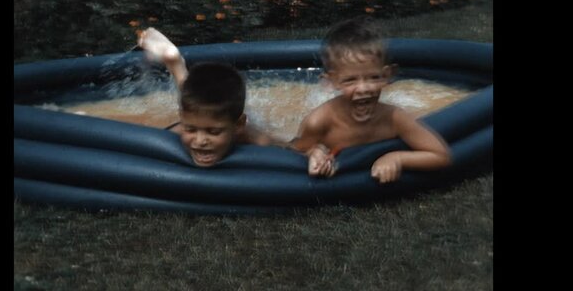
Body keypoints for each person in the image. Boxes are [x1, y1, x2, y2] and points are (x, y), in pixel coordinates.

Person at [290, 16, 451, 183]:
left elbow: (441, 155)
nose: (364, 88)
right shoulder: (320, 121)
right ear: (332, 82)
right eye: (350, 80)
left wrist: (397, 158)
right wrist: (315, 152)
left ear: (387, 76)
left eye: (374, 77)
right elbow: (293, 150)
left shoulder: (394, 118)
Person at [137, 28, 282, 167]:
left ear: (238, 125)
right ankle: (175, 63)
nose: (200, 141)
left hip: (229, 120)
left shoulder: (256, 140)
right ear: (181, 119)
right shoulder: (175, 132)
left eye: (213, 132)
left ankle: (176, 64)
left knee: (204, 105)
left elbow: (292, 150)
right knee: (194, 101)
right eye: (191, 130)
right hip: (203, 117)